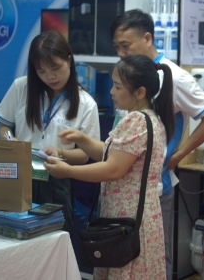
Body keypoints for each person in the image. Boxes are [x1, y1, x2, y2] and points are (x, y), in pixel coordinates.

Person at [110, 9, 204, 280]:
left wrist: (177, 156)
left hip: (154, 186)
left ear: (147, 38)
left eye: (125, 45)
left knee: (155, 256)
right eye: (116, 47)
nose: (121, 53)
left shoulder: (175, 77)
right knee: (124, 257)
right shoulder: (126, 74)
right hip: (122, 183)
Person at [44, 54, 174, 280]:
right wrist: (81, 139)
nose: (111, 92)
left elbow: (113, 168)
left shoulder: (135, 120)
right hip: (137, 217)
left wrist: (67, 170)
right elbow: (114, 154)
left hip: (127, 219)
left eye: (118, 86)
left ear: (140, 92)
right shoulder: (150, 118)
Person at [0, 31, 100, 234]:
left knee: (54, 238)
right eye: (41, 71)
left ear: (69, 60)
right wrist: (12, 142)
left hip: (56, 179)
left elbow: (84, 155)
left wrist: (60, 153)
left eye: (55, 68)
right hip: (19, 175)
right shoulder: (21, 87)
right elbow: (4, 127)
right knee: (14, 234)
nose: (50, 77)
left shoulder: (86, 104)